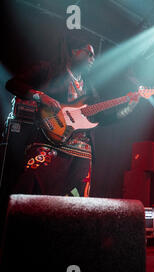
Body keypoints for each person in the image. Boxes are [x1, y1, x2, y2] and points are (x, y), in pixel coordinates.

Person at [4, 31, 140, 197]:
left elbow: (101, 118)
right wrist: (41, 96)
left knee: (76, 198)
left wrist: (129, 107)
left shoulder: (90, 88)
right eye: (89, 53)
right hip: (48, 139)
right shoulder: (48, 70)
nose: (92, 59)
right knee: (32, 185)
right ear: (74, 51)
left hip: (81, 149)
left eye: (94, 56)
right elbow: (13, 84)